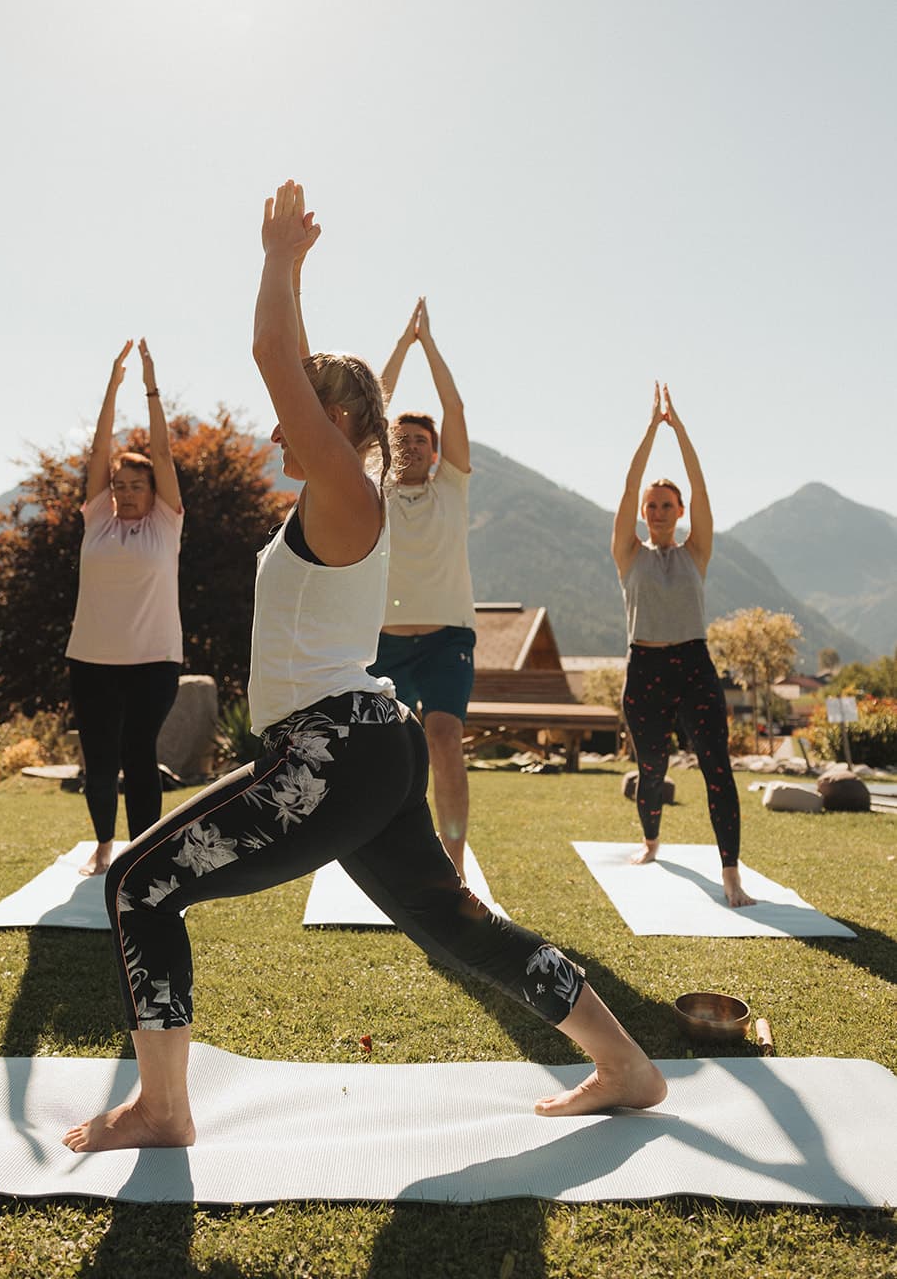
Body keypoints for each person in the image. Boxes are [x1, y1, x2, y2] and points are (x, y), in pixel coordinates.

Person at [62, 181, 666, 1154]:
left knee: (138, 885)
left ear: (334, 421)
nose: (273, 428)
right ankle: (624, 1064)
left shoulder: (346, 486)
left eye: (300, 411)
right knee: (452, 922)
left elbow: (273, 360)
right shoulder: (352, 492)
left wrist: (277, 260)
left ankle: (162, 1105)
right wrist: (295, 284)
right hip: (364, 748)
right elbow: (300, 375)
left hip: (330, 748)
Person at [611, 383, 754, 908]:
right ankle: (651, 840)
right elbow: (627, 488)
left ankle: (731, 872)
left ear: (679, 510)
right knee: (652, 768)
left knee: (718, 766)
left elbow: (701, 488)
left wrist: (682, 432)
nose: (658, 510)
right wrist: (651, 430)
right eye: (652, 505)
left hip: (693, 665)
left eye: (667, 504)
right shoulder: (629, 553)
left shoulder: (697, 550)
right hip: (644, 667)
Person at [65, 338, 184, 877]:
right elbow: (98, 451)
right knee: (100, 759)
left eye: (137, 485)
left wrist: (149, 388)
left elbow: (162, 452)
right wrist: (111, 388)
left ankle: (143, 852)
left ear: (153, 491)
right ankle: (104, 845)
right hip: (90, 659)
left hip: (155, 659)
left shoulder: (166, 521)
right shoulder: (98, 520)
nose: (127, 491)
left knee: (138, 750)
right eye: (120, 485)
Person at [369, 298, 475, 878]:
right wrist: (399, 345)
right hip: (382, 643)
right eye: (400, 438)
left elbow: (453, 405)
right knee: (386, 756)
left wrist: (427, 344)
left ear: (436, 453)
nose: (409, 445)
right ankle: (388, 856)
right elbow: (370, 409)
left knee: (443, 735)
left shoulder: (451, 487)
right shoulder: (375, 486)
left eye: (420, 440)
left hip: (445, 639)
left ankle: (453, 869)